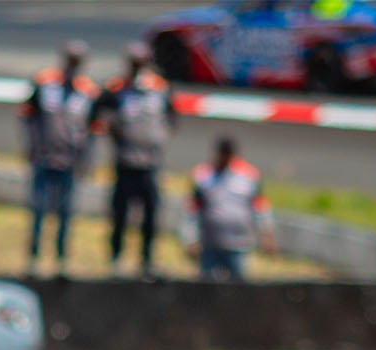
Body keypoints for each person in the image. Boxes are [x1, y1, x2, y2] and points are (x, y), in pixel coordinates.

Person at [19, 40, 102, 279]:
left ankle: (60, 262)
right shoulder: (45, 83)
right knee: (38, 211)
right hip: (44, 159)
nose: (72, 66)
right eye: (70, 60)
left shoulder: (88, 91)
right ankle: (32, 261)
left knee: (65, 214)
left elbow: (93, 130)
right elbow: (27, 116)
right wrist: (32, 147)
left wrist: (85, 162)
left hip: (69, 162)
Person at [98, 41, 175, 278]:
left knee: (150, 214)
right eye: (133, 63)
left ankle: (147, 260)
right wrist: (113, 133)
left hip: (150, 163)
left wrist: (159, 139)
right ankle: (115, 259)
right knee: (119, 213)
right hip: (124, 162)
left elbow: (172, 118)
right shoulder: (116, 88)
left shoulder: (159, 88)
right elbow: (98, 113)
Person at [182, 137, 275, 281]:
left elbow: (260, 206)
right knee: (206, 286)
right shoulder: (203, 175)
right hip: (210, 243)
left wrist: (266, 234)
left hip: (239, 244)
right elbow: (192, 209)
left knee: (238, 286)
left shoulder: (249, 175)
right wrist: (189, 238)